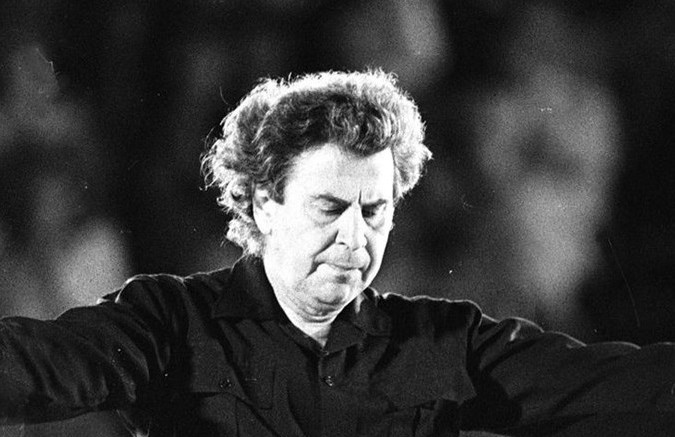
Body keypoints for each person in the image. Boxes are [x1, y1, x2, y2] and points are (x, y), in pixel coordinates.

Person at [1, 70, 674, 437]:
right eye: (329, 208)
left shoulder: (443, 342)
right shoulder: (171, 321)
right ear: (264, 203)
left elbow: (616, 386)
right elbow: (39, 366)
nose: (356, 238)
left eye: (374, 210)